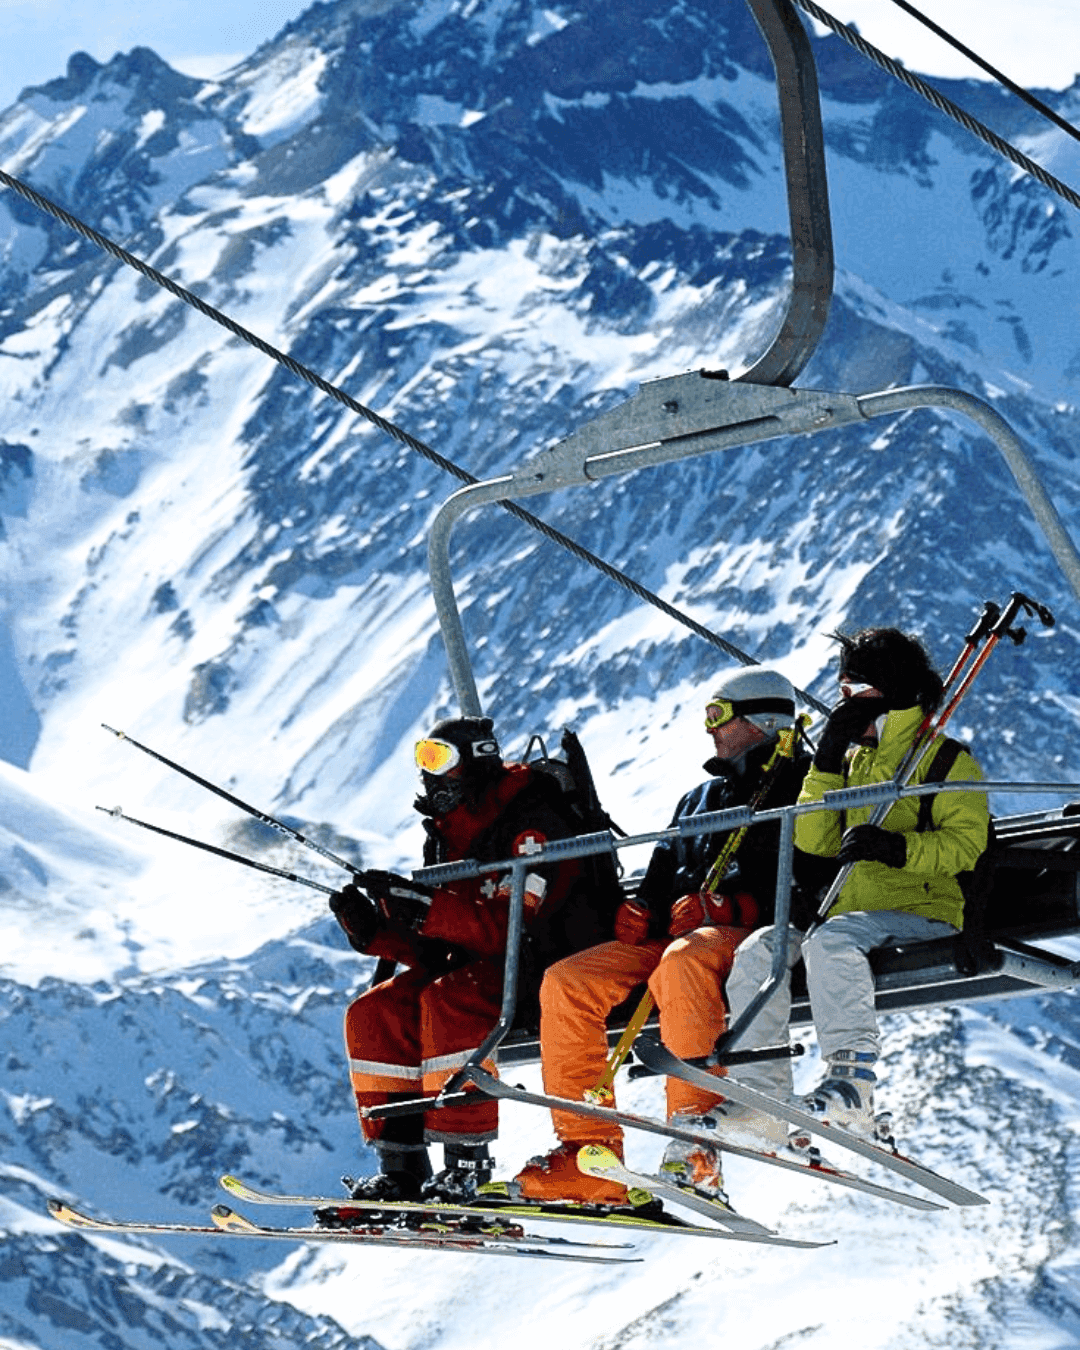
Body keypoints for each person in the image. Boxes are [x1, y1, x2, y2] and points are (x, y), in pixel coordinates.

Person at [498, 668, 819, 1209]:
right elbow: (661, 873)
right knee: (568, 981)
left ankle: (696, 1144)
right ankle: (587, 1154)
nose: (708, 729)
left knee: (683, 962)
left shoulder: (805, 787)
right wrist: (640, 911)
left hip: (748, 933)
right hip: (682, 929)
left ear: (762, 721)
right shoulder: (699, 799)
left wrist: (731, 905)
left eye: (717, 715)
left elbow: (814, 880)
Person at [712, 627, 989, 1148]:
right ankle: (761, 1097)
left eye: (853, 694)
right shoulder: (853, 763)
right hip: (850, 915)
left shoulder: (945, 761)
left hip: (921, 908)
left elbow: (965, 846)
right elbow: (815, 842)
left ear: (885, 692)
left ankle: (852, 1083)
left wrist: (896, 849)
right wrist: (825, 762)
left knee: (831, 941)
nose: (844, 707)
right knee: (758, 952)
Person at [327, 715, 604, 1204]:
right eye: (423, 759)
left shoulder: (531, 822)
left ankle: (464, 1166)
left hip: (542, 961)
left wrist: (428, 909)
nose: (428, 775)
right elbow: (437, 946)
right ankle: (402, 1167)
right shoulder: (445, 835)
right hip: (481, 962)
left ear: (476, 760)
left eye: (439, 759)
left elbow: (513, 924)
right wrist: (378, 933)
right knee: (375, 1013)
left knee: (448, 1000)